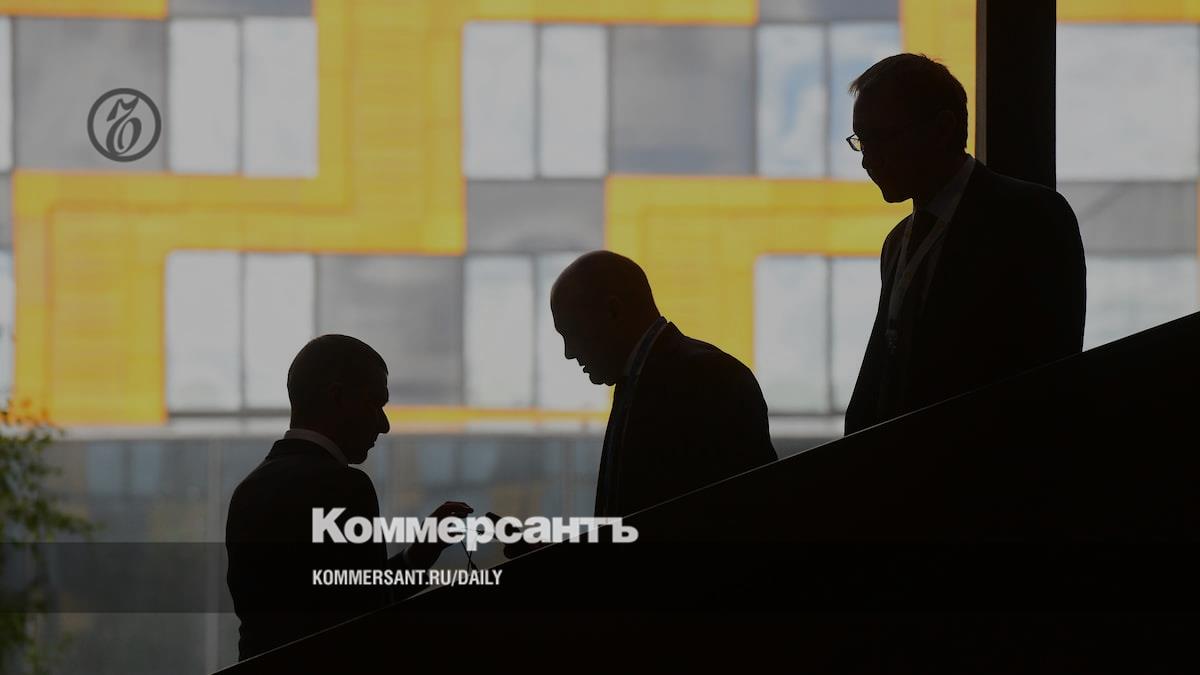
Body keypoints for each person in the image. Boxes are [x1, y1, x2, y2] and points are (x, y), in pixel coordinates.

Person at [843, 53, 1086, 434]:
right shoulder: (896, 243)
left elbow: (1047, 371)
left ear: (942, 129)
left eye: (882, 138)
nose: (867, 161)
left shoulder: (1031, 218)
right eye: (862, 141)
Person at [225, 334, 472, 661]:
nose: (384, 424)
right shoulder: (345, 486)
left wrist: (419, 554)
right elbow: (368, 614)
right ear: (338, 397)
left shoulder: (247, 491)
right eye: (375, 403)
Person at [550, 251, 777, 518]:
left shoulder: (710, 379)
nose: (569, 352)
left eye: (573, 332)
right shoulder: (658, 380)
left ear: (613, 311)